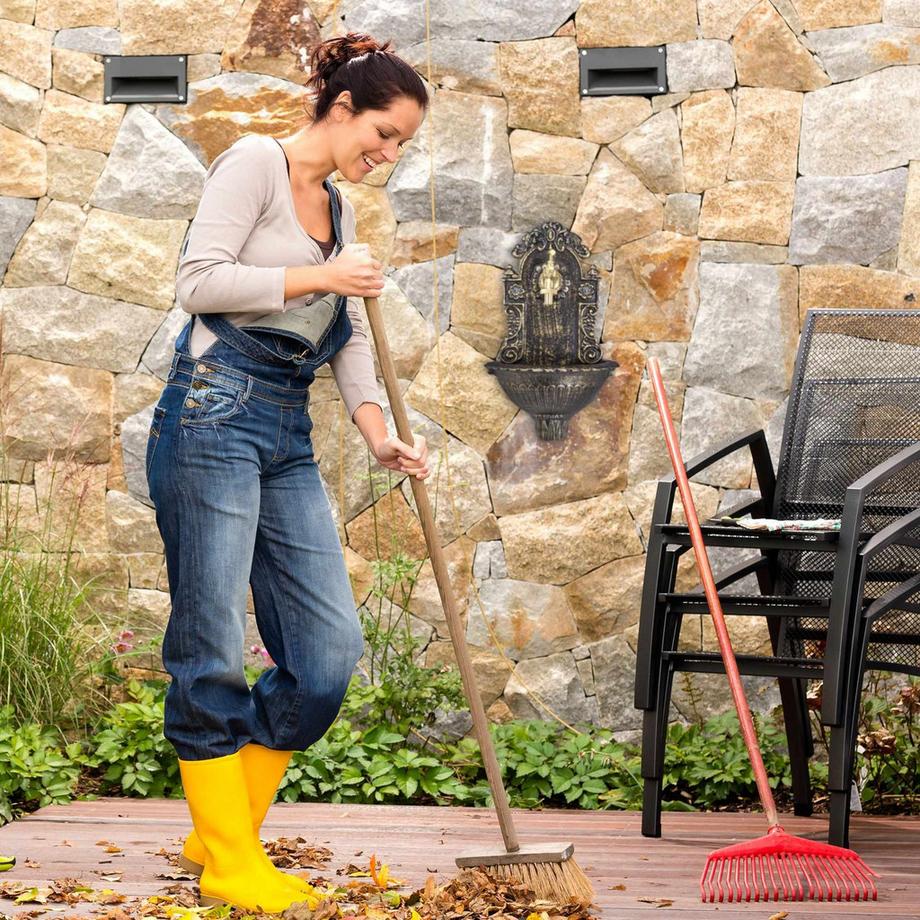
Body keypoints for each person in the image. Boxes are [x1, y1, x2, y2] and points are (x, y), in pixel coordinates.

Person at [144, 32, 430, 912]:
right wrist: (320, 274)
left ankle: (217, 826)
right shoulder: (254, 164)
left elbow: (345, 343)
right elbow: (199, 283)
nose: (386, 153)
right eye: (382, 132)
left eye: (401, 145)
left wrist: (378, 432)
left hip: (285, 425)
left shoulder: (338, 212)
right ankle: (231, 858)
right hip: (212, 412)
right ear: (342, 107)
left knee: (328, 656)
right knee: (210, 644)